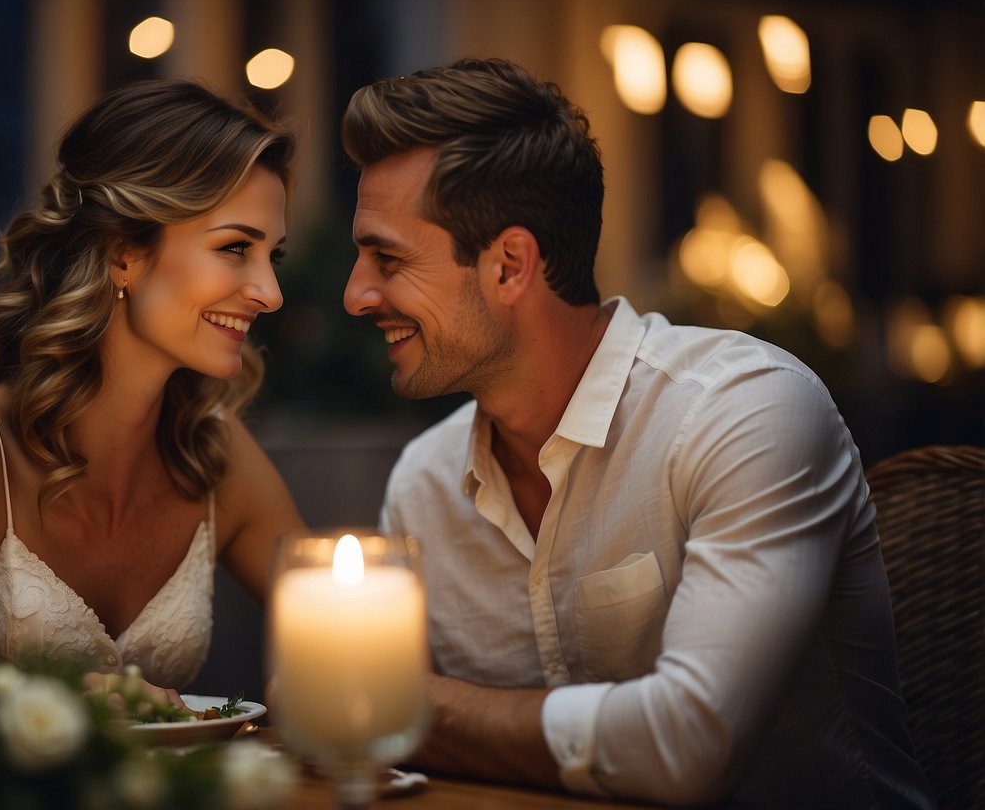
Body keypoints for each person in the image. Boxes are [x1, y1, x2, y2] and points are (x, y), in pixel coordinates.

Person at [341, 58, 933, 808]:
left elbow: (688, 746)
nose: (356, 294)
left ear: (509, 265)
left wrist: (408, 704)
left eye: (387, 258)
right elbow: (392, 761)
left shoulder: (742, 413)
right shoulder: (423, 484)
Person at [0, 79, 304, 704]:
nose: (270, 292)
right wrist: (55, 709)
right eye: (235, 248)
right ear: (123, 253)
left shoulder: (213, 453)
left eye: (274, 256)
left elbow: (350, 622)